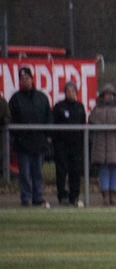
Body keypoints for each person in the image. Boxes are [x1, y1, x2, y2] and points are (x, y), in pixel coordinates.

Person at [8, 66, 52, 207]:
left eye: (27, 78)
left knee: (37, 172)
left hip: (38, 141)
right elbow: (11, 119)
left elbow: (48, 117)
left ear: (32, 79)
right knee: (25, 173)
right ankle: (26, 197)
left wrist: (47, 136)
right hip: (23, 143)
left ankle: (38, 197)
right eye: (22, 79)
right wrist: (16, 137)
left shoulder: (41, 98)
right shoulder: (15, 99)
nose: (25, 81)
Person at [89, 83, 116, 205]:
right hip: (101, 142)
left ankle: (113, 194)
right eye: (106, 94)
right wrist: (110, 123)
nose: (108, 96)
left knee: (115, 169)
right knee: (104, 169)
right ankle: (105, 196)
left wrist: (106, 123)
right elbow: (92, 120)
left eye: (110, 94)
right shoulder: (97, 108)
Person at [51, 81, 87, 207]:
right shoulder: (59, 107)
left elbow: (82, 124)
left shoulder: (80, 107)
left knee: (75, 171)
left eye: (73, 91)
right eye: (68, 91)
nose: (71, 93)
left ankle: (74, 196)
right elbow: (54, 124)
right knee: (61, 170)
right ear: (65, 92)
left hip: (76, 145)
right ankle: (62, 195)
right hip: (62, 144)